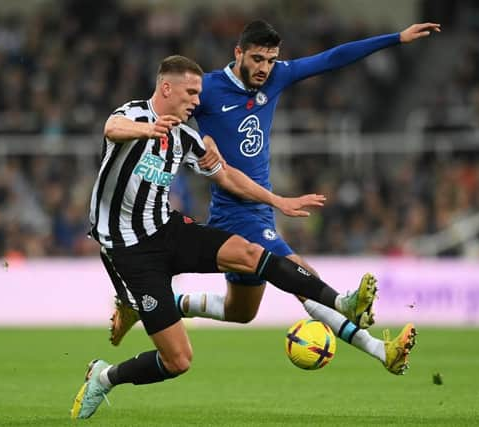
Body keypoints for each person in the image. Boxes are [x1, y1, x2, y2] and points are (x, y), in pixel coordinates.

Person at [71, 55, 398, 419]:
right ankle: (104, 376)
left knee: (249, 252)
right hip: (130, 252)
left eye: (199, 94)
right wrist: (146, 131)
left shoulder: (186, 137)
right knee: (178, 360)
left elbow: (226, 176)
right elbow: (111, 127)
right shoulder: (135, 116)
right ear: (167, 88)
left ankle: (340, 302)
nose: (198, 101)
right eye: (191, 93)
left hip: (168, 230)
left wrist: (278, 201)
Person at [108, 20, 435, 374]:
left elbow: (332, 58)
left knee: (242, 312)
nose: (265, 68)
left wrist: (396, 39)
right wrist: (204, 142)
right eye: (258, 59)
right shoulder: (210, 88)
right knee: (303, 280)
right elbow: (171, 113)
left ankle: (148, 304)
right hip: (235, 211)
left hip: (261, 207)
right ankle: (378, 348)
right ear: (239, 53)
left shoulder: (278, 75)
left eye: (271, 59)